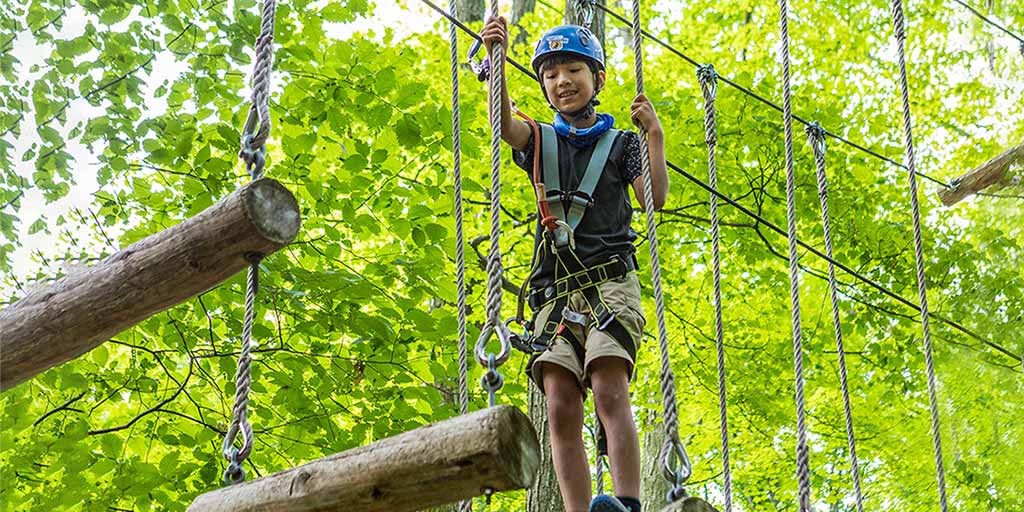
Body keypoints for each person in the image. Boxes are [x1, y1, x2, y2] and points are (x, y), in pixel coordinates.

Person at [481, 15, 669, 512]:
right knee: (561, 405)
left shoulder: (623, 145)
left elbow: (654, 198)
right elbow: (504, 125)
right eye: (551, 74)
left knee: (609, 387)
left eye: (573, 71)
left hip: (610, 283)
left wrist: (653, 136)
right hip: (555, 293)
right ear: (543, 85)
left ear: (597, 80)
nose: (562, 80)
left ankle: (627, 503)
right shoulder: (541, 140)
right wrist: (496, 60)